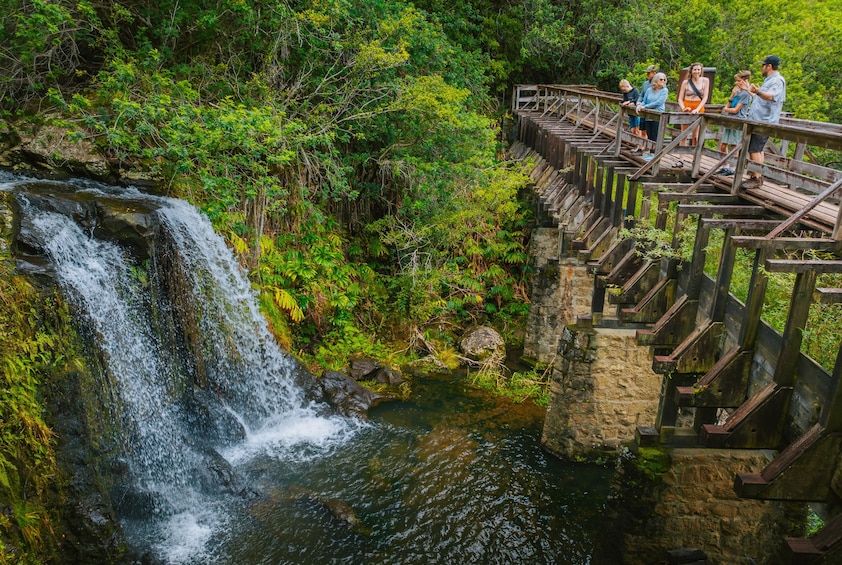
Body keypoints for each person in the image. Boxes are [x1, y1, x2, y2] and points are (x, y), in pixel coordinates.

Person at [741, 55, 786, 189]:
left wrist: (758, 91)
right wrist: (749, 90)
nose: (762, 68)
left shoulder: (777, 80)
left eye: (763, 65)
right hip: (758, 119)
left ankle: (757, 177)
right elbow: (760, 98)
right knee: (757, 149)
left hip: (765, 120)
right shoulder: (769, 80)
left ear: (769, 66)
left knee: (755, 149)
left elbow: (771, 97)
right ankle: (756, 175)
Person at [716, 71, 752, 176]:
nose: (737, 83)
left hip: (738, 120)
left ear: (746, 81)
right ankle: (725, 166)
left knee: (734, 145)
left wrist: (727, 109)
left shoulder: (746, 94)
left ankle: (732, 168)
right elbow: (728, 105)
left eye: (739, 81)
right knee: (723, 145)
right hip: (730, 120)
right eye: (736, 81)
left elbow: (735, 110)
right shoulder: (737, 92)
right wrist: (732, 95)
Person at [635, 72, 668, 161]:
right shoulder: (649, 90)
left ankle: (655, 154)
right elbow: (644, 101)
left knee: (655, 134)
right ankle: (650, 153)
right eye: (661, 79)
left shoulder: (664, 91)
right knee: (649, 134)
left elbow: (658, 102)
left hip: (658, 115)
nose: (663, 81)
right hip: (648, 115)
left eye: (664, 79)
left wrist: (645, 107)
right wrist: (639, 106)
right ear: (656, 80)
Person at [677, 62, 710, 146]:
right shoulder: (686, 82)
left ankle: (694, 156)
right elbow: (680, 98)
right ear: (691, 71)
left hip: (698, 106)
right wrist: (684, 108)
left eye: (699, 69)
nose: (697, 72)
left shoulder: (705, 81)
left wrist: (697, 109)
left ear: (701, 71)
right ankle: (681, 156)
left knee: (695, 136)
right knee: (684, 133)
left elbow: (705, 97)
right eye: (695, 69)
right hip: (687, 105)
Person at [633, 64, 659, 154]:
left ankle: (652, 152)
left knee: (652, 133)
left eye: (649, 73)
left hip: (654, 112)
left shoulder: (659, 84)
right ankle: (641, 148)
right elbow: (641, 95)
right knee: (642, 130)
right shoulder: (645, 84)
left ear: (654, 73)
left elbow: (658, 100)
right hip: (644, 111)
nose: (647, 75)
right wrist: (638, 102)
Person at [619, 79, 643, 150]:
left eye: (624, 90)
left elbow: (638, 100)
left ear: (627, 86)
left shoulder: (635, 91)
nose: (624, 92)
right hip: (630, 114)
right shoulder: (625, 93)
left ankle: (640, 147)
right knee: (633, 131)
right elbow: (624, 100)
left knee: (638, 130)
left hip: (637, 114)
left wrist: (630, 102)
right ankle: (636, 145)